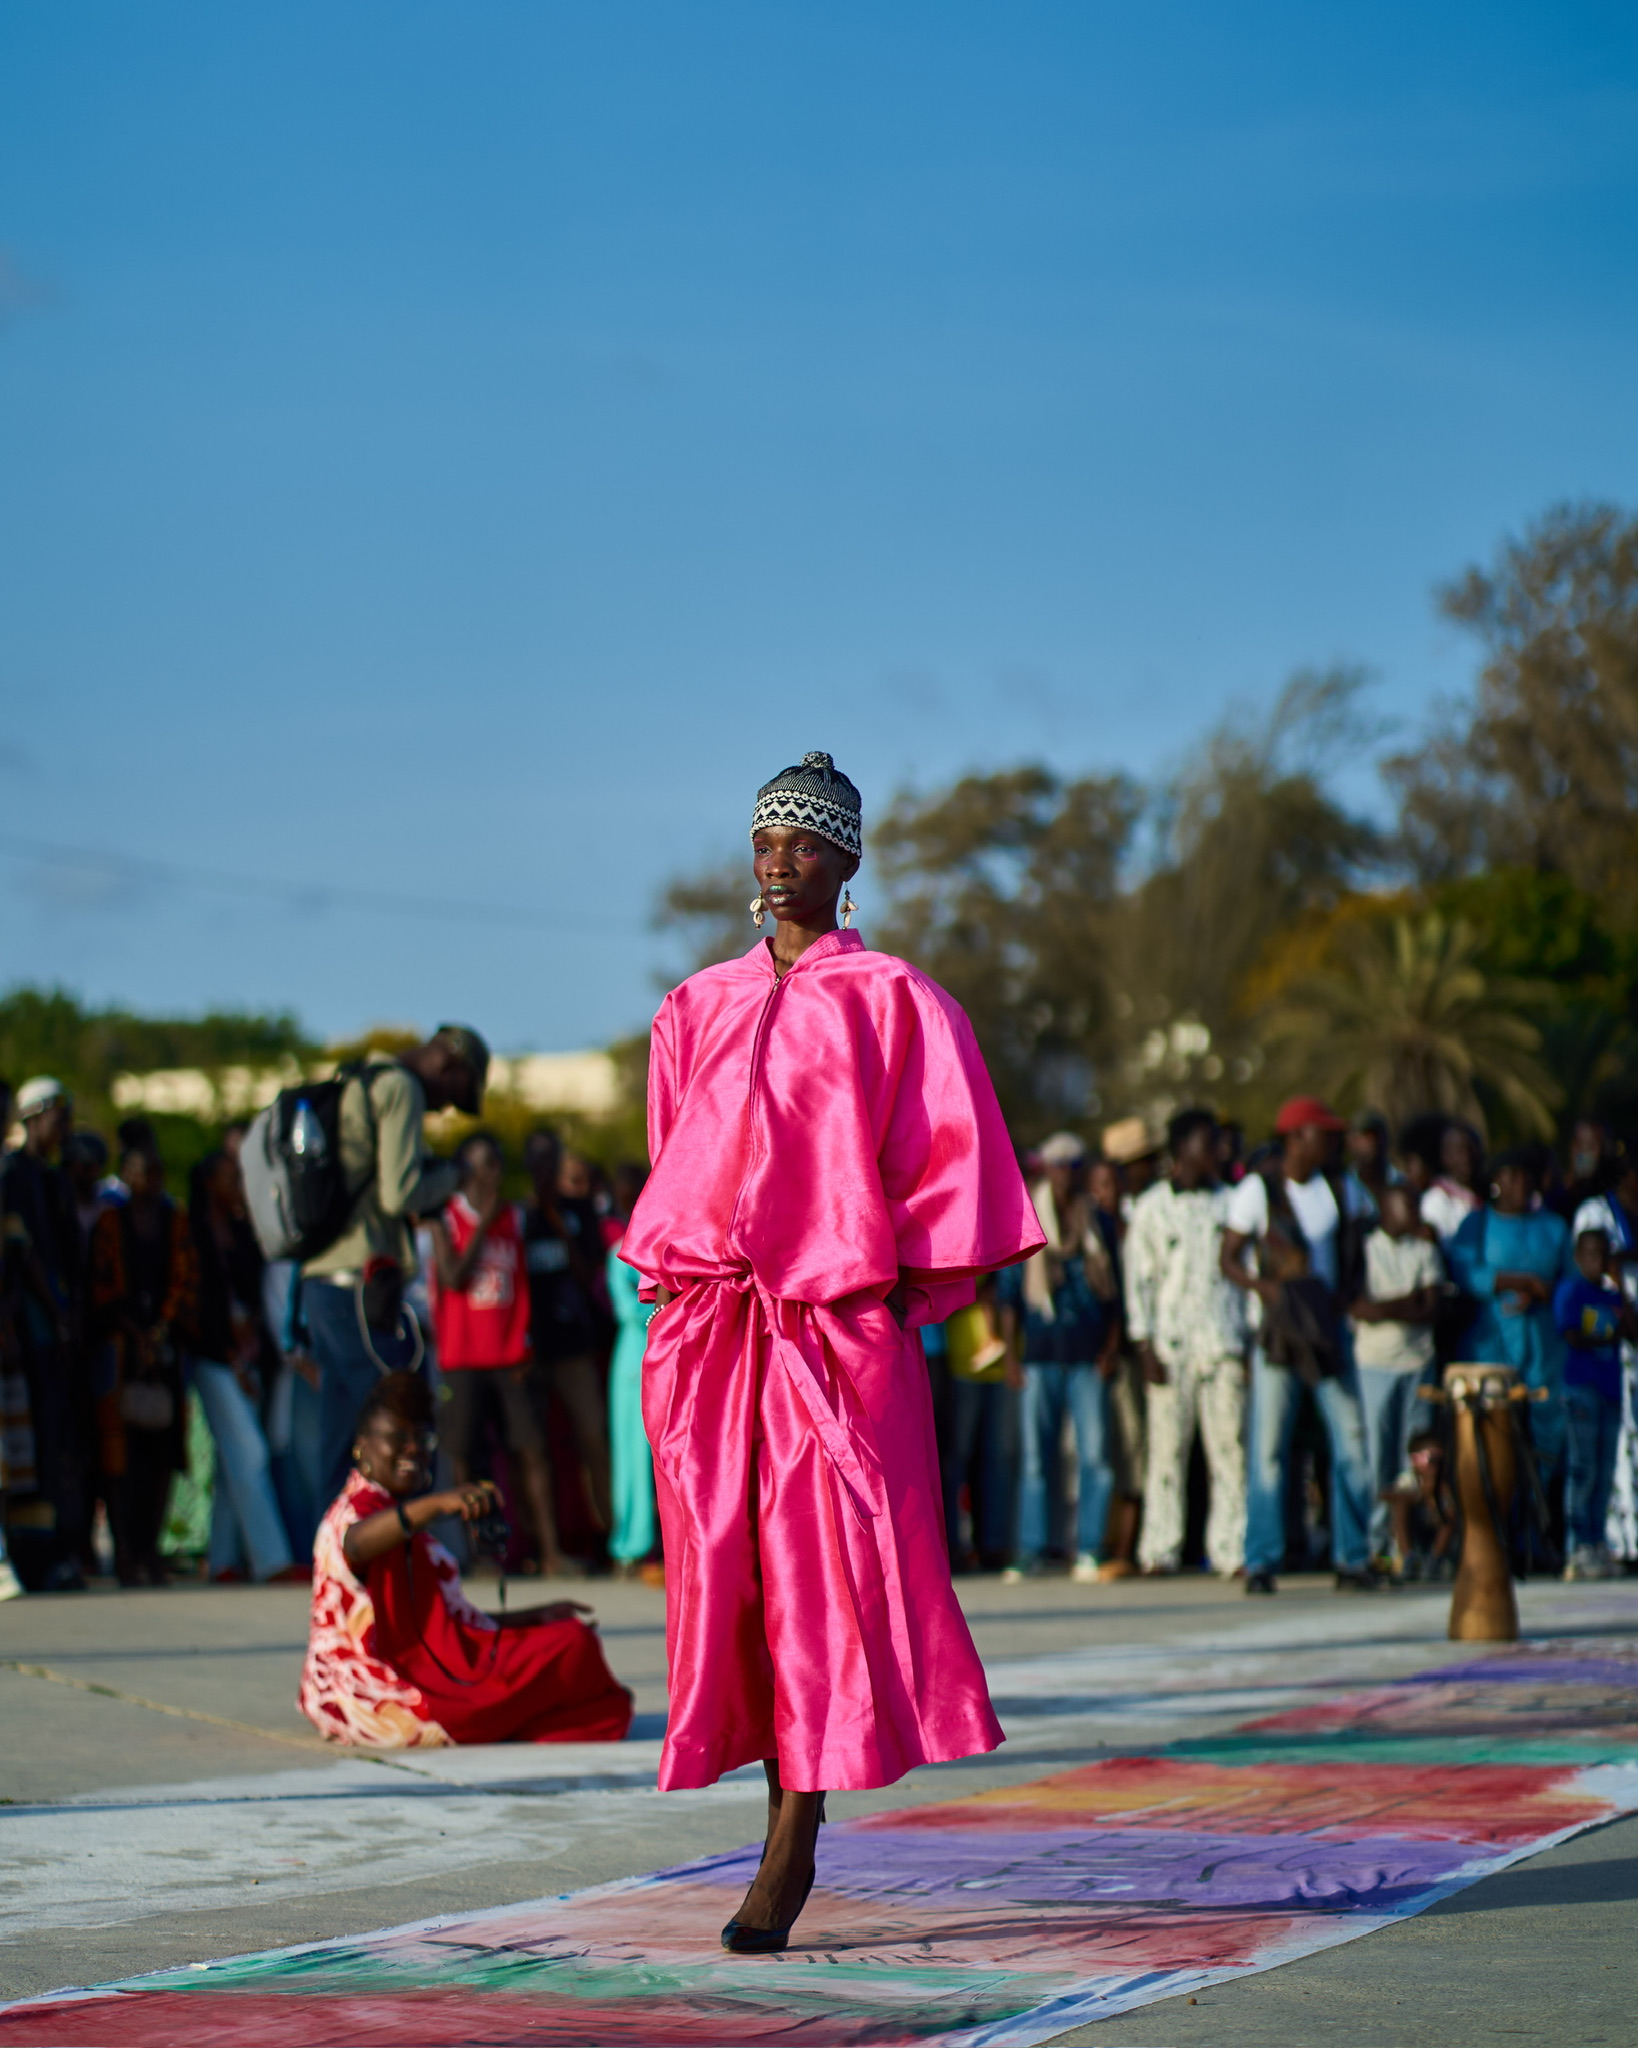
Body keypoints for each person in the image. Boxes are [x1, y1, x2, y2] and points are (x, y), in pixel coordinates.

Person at [619, 749, 1042, 1953]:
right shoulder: (693, 1005)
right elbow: (671, 1159)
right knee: (733, 1579)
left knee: (825, 1582)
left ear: (846, 858)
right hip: (713, 1338)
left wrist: (889, 1294)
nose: (778, 861)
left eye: (802, 842)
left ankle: (793, 1834)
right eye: (764, 840)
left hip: (836, 1332)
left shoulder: (899, 1000)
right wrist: (684, 1292)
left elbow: (953, 1166)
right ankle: (779, 1808)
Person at [299, 1372, 632, 1746]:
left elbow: (447, 1626)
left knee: (570, 1639)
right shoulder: (353, 1512)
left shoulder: (392, 1511)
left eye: (422, 1439)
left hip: (427, 1671)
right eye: (398, 1438)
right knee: (574, 1652)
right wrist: (437, 1504)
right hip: (374, 1695)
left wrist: (535, 1616)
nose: (413, 1449)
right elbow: (356, 1544)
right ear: (362, 1447)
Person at [302, 1026, 489, 1508]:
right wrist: (455, 1175)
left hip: (323, 1281)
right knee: (401, 1416)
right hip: (361, 1283)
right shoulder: (401, 1087)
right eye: (453, 1097)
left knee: (342, 1432)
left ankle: (336, 1545)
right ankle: (405, 1542)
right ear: (449, 1066)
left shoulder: (360, 1074)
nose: (443, 1110)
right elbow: (399, 1193)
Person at [1220, 1095, 1377, 1594]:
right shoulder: (1258, 1190)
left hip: (1327, 1330)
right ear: (1295, 1138)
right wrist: (1264, 1289)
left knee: (1351, 1442)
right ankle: (1261, 1560)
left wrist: (1349, 1294)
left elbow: (1362, 1244)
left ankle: (1353, 1557)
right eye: (1322, 1134)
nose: (1332, 1142)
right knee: (1269, 1448)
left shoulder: (1343, 1187)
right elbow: (1228, 1257)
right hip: (1281, 1332)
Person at [426, 1132, 561, 1576]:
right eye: (486, 1163)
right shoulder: (446, 1217)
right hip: (463, 1357)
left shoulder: (514, 1217)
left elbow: (522, 1283)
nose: (495, 1172)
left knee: (531, 1449)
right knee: (464, 1454)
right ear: (465, 1170)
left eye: (498, 1162)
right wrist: (482, 1223)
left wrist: (526, 1341)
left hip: (509, 1354)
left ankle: (549, 1552)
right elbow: (452, 1278)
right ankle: (482, 1556)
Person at [1126, 1108, 1248, 1579]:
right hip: (1170, 1346)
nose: (1218, 1150)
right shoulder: (1152, 1208)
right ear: (1182, 1150)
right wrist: (1143, 1345)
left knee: (1229, 1450)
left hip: (1222, 1343)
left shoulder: (1231, 1203)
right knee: (1166, 1452)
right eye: (1207, 1142)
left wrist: (1248, 1339)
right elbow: (1139, 1280)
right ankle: (1160, 1548)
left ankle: (1231, 1548)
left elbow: (1247, 1274)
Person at [998, 1132, 1121, 1585]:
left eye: (1072, 1165)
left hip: (1088, 1354)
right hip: (1040, 1353)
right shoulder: (1026, 1216)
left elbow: (1116, 1292)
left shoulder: (1098, 1221)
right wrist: (1011, 1357)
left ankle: (1089, 1546)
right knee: (1035, 1459)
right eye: (1057, 1165)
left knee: (1095, 1456)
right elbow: (1010, 1294)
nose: (1065, 1173)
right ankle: (1031, 1548)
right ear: (1045, 1169)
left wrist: (1111, 1349)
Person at [1445, 1148, 1575, 1526]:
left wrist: (1542, 1292)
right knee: (1493, 1435)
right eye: (1510, 1176)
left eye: (1524, 1176)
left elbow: (1572, 1280)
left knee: (1547, 1434)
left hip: (1544, 1347)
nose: (1518, 1184)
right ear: (1495, 1182)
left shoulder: (1553, 1226)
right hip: (1491, 1342)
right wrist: (1515, 1282)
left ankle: (1532, 1527)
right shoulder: (1476, 1224)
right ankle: (1494, 1525)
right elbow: (1464, 1272)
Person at [189, 1151, 301, 1584]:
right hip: (213, 1357)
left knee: (233, 1457)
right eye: (229, 1178)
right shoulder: (194, 1233)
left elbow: (253, 1291)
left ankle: (223, 1559)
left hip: (248, 1353)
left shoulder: (241, 1232)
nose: (238, 1186)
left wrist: (250, 1339)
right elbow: (198, 1305)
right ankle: (270, 1560)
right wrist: (230, 1354)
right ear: (209, 1184)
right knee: (250, 1452)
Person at [89, 1140, 197, 1586]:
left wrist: (161, 1329)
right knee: (120, 1456)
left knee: (162, 1453)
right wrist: (135, 1333)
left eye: (154, 1173)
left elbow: (187, 1280)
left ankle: (150, 1548)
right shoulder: (110, 1223)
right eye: (138, 1172)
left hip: (164, 1350)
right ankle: (125, 1551)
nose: (148, 1181)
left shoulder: (176, 1221)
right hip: (120, 1352)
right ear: (125, 1176)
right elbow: (100, 1286)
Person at [1, 1078, 88, 1590]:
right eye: (59, 1116)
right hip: (32, 1324)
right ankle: (32, 1557)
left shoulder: (52, 1178)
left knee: (56, 1443)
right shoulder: (12, 1173)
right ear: (35, 1116)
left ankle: (54, 1552)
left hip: (56, 1324)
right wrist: (54, 1308)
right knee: (33, 1441)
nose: (65, 1127)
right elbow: (24, 1253)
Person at [521, 1130, 614, 1548]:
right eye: (537, 1161)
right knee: (537, 1447)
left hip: (575, 1345)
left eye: (550, 1161)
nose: (544, 1169)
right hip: (531, 1351)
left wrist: (559, 1223)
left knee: (593, 1437)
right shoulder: (517, 1216)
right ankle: (548, 1544)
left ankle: (609, 1535)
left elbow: (588, 1272)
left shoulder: (577, 1211)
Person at [1349, 1184, 1444, 1571]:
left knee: (1417, 1460)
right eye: (1407, 1206)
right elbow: (1360, 1309)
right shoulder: (1366, 1249)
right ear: (1387, 1209)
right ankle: (1378, 1543)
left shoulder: (1425, 1250)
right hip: (1374, 1363)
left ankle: (1410, 1545)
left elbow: (1430, 1308)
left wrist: (1383, 1308)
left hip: (1418, 1363)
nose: (1415, 1213)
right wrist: (1407, 1301)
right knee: (1378, 1455)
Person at [1572, 1143, 1638, 1565]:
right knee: (1612, 1448)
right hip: (1612, 1343)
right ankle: (1616, 1540)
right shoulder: (1596, 1212)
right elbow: (1595, 1271)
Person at [1553, 1227, 1630, 1581]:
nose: (1597, 1261)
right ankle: (1577, 1545)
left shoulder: (1611, 1296)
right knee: (1581, 1469)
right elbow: (1571, 1333)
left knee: (1604, 1470)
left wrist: (1621, 1286)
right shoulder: (1572, 1290)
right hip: (1581, 1388)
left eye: (1603, 1254)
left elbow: (1631, 1329)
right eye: (1590, 1253)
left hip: (1610, 1391)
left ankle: (1597, 1541)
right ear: (1577, 1256)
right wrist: (1606, 1335)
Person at [604, 1164, 659, 1577]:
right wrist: (664, 1308)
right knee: (632, 1457)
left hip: (664, 1358)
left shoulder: (667, 1245)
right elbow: (628, 1310)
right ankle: (631, 1545)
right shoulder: (620, 1254)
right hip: (633, 1364)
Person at [1422, 1122, 1485, 1249]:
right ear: (1445, 1157)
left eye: (1471, 1148)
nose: (1466, 1157)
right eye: (1459, 1151)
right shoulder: (1437, 1199)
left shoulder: (1488, 1193)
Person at [1346, 1111, 1399, 1214]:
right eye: (1363, 1137)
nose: (1370, 1143)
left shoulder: (1400, 1182)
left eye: (1374, 1137)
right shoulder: (1344, 1187)